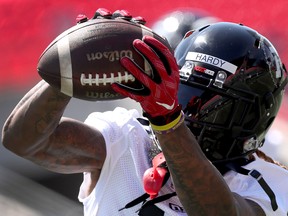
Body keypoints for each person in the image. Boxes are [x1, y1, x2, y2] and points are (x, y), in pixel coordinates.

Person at [2, 11, 288, 216]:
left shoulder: (271, 183)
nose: (190, 108)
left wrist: (168, 121)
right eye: (184, 91)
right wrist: (70, 68)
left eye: (213, 102)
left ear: (253, 116)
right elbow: (23, 141)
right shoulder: (127, 134)